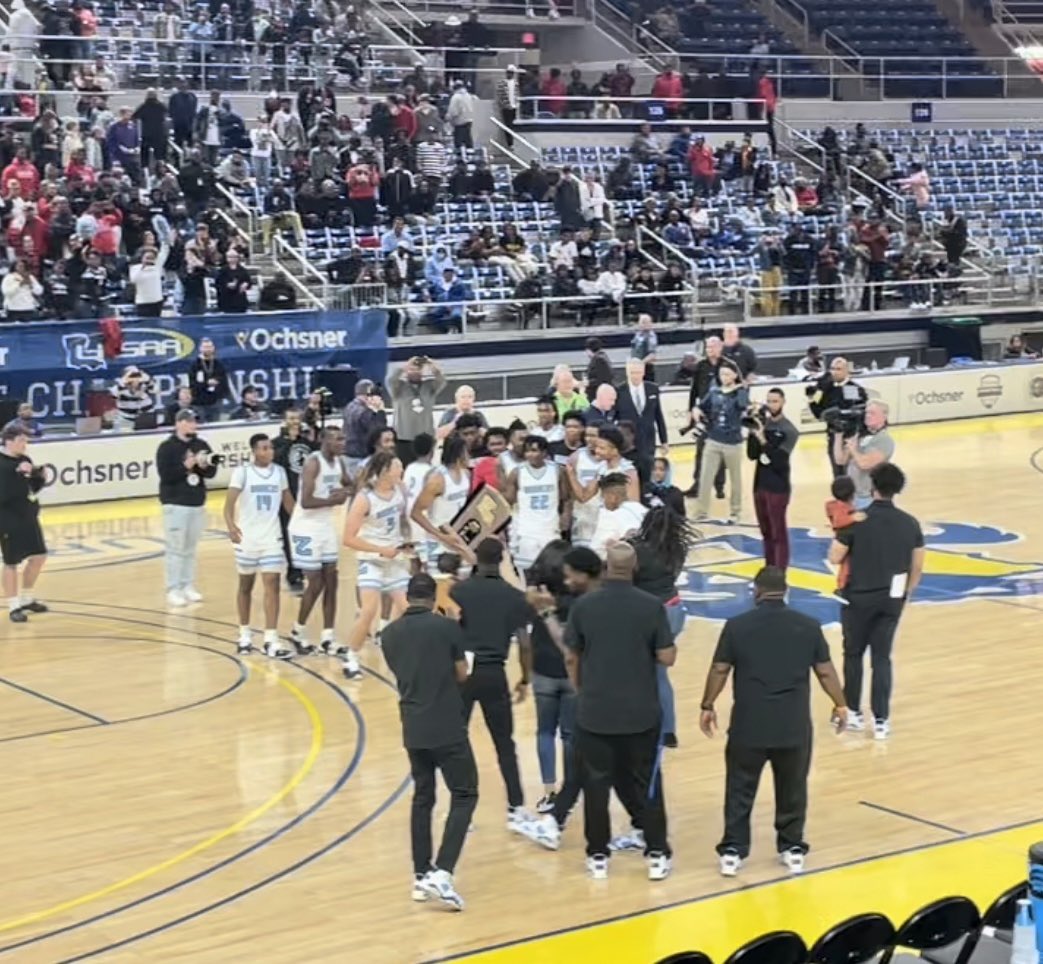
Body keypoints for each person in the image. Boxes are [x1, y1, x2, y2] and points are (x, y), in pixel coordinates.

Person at [699, 566, 848, 878]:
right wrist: (841, 703)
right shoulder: (808, 626)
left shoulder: (737, 626)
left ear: (756, 591)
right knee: (792, 789)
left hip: (749, 725)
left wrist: (708, 704)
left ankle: (732, 851)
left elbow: (719, 669)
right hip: (792, 726)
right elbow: (825, 671)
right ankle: (792, 848)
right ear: (786, 591)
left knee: (740, 789)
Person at [564, 543, 675, 881]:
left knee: (596, 785)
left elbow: (571, 656)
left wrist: (581, 689)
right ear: (635, 566)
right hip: (641, 712)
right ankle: (656, 853)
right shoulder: (651, 606)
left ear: (606, 566)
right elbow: (667, 657)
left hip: (595, 710)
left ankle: (598, 856)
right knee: (648, 784)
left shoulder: (584, 606)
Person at [381, 572, 477, 911]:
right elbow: (463, 674)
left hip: (413, 726)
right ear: (432, 597)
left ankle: (420, 875)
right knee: (465, 793)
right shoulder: (446, 628)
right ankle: (444, 869)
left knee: (423, 797)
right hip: (447, 724)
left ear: (407, 597)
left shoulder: (388, 635)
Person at [828, 463, 925, 741]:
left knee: (854, 654)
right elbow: (917, 566)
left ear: (872, 486)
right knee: (882, 658)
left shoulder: (857, 519)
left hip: (858, 598)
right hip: (892, 598)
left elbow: (835, 557)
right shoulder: (910, 523)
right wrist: (905, 594)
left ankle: (854, 713)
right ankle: (881, 721)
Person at [450, 538, 535, 832]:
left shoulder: (459, 591)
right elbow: (525, 644)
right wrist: (525, 678)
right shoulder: (515, 597)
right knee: (504, 744)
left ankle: (463, 811)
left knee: (457, 742)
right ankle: (516, 807)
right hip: (494, 673)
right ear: (501, 560)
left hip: (462, 673)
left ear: (477, 558)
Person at [628, 505, 698, 750]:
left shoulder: (639, 550)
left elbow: (627, 576)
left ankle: (642, 725)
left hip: (651, 613)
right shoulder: (677, 549)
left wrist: (626, 542)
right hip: (675, 609)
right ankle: (669, 731)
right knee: (659, 674)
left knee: (641, 673)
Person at [223, 433, 295, 657]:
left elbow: (288, 503)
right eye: (264, 448)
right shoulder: (242, 473)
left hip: (271, 536)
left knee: (272, 584)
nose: (269, 452)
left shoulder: (279, 473)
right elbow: (228, 505)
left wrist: (302, 524)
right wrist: (231, 526)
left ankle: (271, 638)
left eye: (270, 448)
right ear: (254, 451)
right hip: (248, 537)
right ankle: (244, 634)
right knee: (246, 586)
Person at [287, 427, 353, 666]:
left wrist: (346, 491)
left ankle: (327, 638)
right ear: (324, 441)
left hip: (325, 526)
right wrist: (333, 500)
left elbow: (351, 485)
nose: (343, 443)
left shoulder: (339, 463)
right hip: (304, 528)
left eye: (343, 438)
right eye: (338, 439)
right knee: (315, 582)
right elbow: (304, 501)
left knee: (332, 580)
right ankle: (297, 631)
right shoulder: (313, 463)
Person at [342, 451, 411, 676]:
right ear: (384, 471)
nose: (401, 470)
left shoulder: (400, 490)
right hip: (371, 560)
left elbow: (404, 520)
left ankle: (392, 643)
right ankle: (351, 656)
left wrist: (408, 542)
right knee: (369, 611)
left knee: (408, 608)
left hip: (395, 558)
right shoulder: (365, 497)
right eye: (397, 467)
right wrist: (381, 550)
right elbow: (348, 538)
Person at [156, 410, 218, 607]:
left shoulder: (201, 445)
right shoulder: (166, 448)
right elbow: (166, 475)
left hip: (196, 502)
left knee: (190, 549)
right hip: (175, 503)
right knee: (176, 548)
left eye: (195, 422)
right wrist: (186, 466)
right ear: (179, 423)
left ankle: (187, 585)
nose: (194, 426)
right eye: (190, 422)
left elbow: (211, 472)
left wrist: (203, 465)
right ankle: (173, 588)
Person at [0, 426, 48, 623]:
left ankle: (27, 598)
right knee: (11, 562)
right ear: (8, 441)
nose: (25, 444)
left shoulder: (25, 460)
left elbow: (30, 488)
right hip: (7, 517)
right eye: (21, 440)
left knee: (39, 556)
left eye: (26, 441)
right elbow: (4, 491)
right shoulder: (2, 463)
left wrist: (39, 478)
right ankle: (13, 605)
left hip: (28, 514)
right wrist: (15, 472)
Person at [747, 388, 798, 570]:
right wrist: (753, 432)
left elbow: (779, 460)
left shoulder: (789, 430)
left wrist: (762, 440)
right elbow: (751, 455)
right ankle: (770, 567)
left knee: (778, 532)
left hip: (778, 486)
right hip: (760, 483)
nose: (771, 404)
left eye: (775, 401)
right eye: (769, 401)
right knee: (766, 532)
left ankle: (780, 570)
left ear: (783, 402)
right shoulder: (763, 424)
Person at [502, 435, 571, 573]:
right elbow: (507, 501)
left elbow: (567, 498)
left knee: (552, 569)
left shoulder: (557, 470)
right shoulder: (517, 472)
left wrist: (566, 515)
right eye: (527, 451)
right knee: (526, 571)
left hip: (550, 527)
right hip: (526, 529)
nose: (530, 454)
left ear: (544, 453)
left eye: (534, 450)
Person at [692, 363, 749, 524]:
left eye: (728, 374)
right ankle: (701, 511)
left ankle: (735, 512)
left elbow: (743, 406)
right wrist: (697, 411)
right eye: (722, 374)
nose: (724, 377)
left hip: (733, 443)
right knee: (705, 477)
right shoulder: (714, 392)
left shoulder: (741, 392)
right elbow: (701, 406)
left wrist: (740, 389)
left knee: (735, 479)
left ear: (735, 375)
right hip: (713, 440)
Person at [410, 433, 473, 566]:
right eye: (467, 452)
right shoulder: (438, 479)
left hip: (460, 540)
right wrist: (441, 535)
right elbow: (416, 513)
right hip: (439, 543)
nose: (469, 456)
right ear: (460, 454)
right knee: (441, 586)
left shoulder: (466, 474)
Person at [272, 407, 314, 592]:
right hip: (286, 496)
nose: (294, 422)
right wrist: (289, 440)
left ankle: (306, 568)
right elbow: (276, 462)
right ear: (284, 421)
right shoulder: (276, 443)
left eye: (297, 418)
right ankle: (293, 574)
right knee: (289, 536)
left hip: (306, 496)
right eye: (290, 418)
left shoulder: (307, 442)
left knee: (306, 535)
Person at [807, 356, 868, 478]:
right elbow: (818, 414)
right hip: (833, 436)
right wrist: (812, 397)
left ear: (846, 371)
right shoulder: (826, 388)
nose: (834, 372)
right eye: (832, 368)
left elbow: (857, 411)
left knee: (851, 472)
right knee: (837, 472)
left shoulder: (852, 388)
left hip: (850, 437)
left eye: (838, 369)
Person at [613, 358, 668, 486]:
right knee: (628, 477)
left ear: (643, 372)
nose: (635, 376)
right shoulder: (619, 391)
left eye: (638, 372)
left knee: (647, 476)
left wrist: (664, 440)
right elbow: (614, 418)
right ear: (627, 373)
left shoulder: (652, 389)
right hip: (627, 444)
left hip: (648, 442)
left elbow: (658, 415)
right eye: (632, 372)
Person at [684, 337, 727, 499]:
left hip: (723, 415)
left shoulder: (728, 365)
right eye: (707, 346)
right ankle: (697, 485)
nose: (709, 349)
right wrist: (690, 409)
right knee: (701, 450)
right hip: (703, 415)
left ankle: (719, 486)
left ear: (720, 347)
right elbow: (694, 389)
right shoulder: (701, 366)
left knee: (721, 451)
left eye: (713, 346)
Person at [832, 400, 894, 511]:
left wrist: (853, 449)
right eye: (867, 413)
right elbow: (840, 460)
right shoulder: (861, 437)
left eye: (872, 413)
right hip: (852, 496)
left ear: (884, 416)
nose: (868, 416)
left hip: (868, 498)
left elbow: (865, 464)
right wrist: (838, 434)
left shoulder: (884, 440)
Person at [387, 356, 446, 467]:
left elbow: (441, 380)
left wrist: (431, 366)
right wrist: (405, 366)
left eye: (418, 369)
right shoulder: (399, 387)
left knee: (425, 468)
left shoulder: (429, 386)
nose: (415, 372)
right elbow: (390, 380)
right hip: (403, 438)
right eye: (412, 369)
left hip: (425, 436)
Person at [590, 473, 647, 558]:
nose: (603, 502)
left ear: (613, 496)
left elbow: (596, 551)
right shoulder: (642, 509)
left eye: (603, 497)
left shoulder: (610, 517)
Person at [825, 475, 861, 598]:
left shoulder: (832, 505)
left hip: (842, 538)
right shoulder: (844, 510)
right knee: (847, 565)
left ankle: (843, 586)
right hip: (845, 540)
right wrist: (853, 518)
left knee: (847, 565)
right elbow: (838, 521)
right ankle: (844, 588)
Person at [188, 337, 229, 423]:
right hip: (199, 403)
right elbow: (192, 384)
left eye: (210, 347)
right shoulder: (195, 365)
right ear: (200, 349)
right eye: (205, 347)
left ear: (213, 348)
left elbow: (224, 382)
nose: (208, 349)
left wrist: (217, 385)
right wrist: (207, 384)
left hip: (215, 402)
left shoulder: (218, 364)